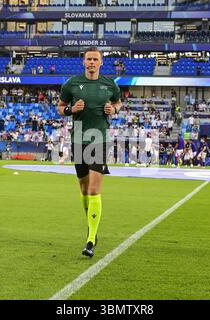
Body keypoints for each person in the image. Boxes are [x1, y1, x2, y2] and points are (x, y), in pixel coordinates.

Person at [58, 46, 121, 258]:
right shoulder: (72, 84)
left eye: (96, 59)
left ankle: (91, 239)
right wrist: (70, 110)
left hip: (99, 141)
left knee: (94, 191)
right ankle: (91, 225)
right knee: (84, 191)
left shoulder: (109, 84)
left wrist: (115, 110)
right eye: (89, 59)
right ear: (84, 62)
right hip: (78, 139)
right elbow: (60, 107)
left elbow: (118, 102)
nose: (92, 62)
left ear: (101, 62)